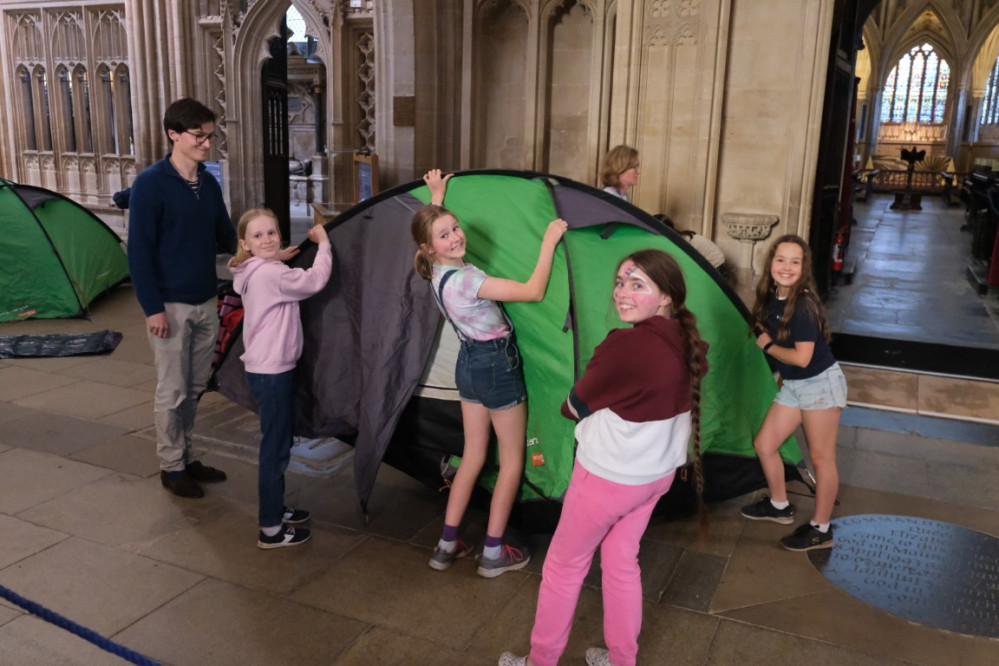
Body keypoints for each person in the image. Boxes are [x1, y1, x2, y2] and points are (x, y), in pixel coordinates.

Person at [499, 249, 709, 666]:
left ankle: (540, 662)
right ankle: (621, 660)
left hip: (609, 479)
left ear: (665, 296)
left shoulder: (624, 346)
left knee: (563, 568)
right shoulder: (690, 343)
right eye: (619, 282)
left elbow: (573, 406)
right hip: (656, 476)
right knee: (620, 561)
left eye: (637, 285)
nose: (622, 293)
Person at [412, 169, 568, 578]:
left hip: (469, 364)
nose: (457, 235)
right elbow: (533, 291)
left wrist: (437, 196)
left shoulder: (436, 274)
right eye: (445, 235)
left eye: (456, 227)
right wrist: (549, 241)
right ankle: (494, 552)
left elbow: (439, 231)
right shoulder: (469, 279)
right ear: (429, 247)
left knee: (474, 456)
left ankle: (446, 544)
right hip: (497, 365)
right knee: (513, 460)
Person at [128, 98, 238, 499]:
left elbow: (225, 234)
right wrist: (152, 308)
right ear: (173, 134)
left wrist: (264, 252)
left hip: (204, 298)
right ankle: (171, 466)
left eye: (210, 136)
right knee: (171, 390)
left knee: (193, 387)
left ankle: (186, 456)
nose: (207, 144)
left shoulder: (207, 182)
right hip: (169, 305)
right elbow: (138, 253)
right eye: (199, 136)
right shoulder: (150, 184)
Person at [229, 209, 332, 548]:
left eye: (271, 232)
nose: (267, 239)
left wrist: (280, 258)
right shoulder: (271, 275)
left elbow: (273, 271)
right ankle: (271, 528)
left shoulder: (252, 270)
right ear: (244, 242)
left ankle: (276, 508)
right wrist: (324, 245)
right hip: (272, 371)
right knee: (275, 449)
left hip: (265, 368)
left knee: (279, 440)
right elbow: (315, 280)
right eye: (258, 236)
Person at [739, 234, 847, 551]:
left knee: (821, 458)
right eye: (781, 259)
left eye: (795, 261)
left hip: (820, 385)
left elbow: (802, 357)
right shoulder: (772, 296)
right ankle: (779, 505)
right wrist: (777, 370)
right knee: (765, 444)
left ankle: (821, 528)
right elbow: (784, 356)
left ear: (804, 267)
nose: (786, 267)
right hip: (795, 385)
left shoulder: (802, 306)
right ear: (770, 262)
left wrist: (768, 345)